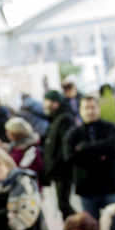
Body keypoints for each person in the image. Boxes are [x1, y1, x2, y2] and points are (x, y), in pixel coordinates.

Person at [65, 95, 115, 219]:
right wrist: (100, 154)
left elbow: (113, 148)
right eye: (86, 108)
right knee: (92, 228)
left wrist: (84, 148)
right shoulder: (73, 134)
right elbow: (70, 157)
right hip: (87, 190)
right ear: (80, 110)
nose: (90, 111)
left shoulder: (110, 128)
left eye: (93, 107)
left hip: (109, 186)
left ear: (98, 108)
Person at [42, 89, 77, 221]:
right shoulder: (56, 119)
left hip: (63, 170)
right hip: (58, 171)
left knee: (64, 205)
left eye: (46, 101)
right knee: (62, 205)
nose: (44, 105)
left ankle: (77, 229)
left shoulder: (64, 119)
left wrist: (57, 164)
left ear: (55, 103)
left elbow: (65, 145)